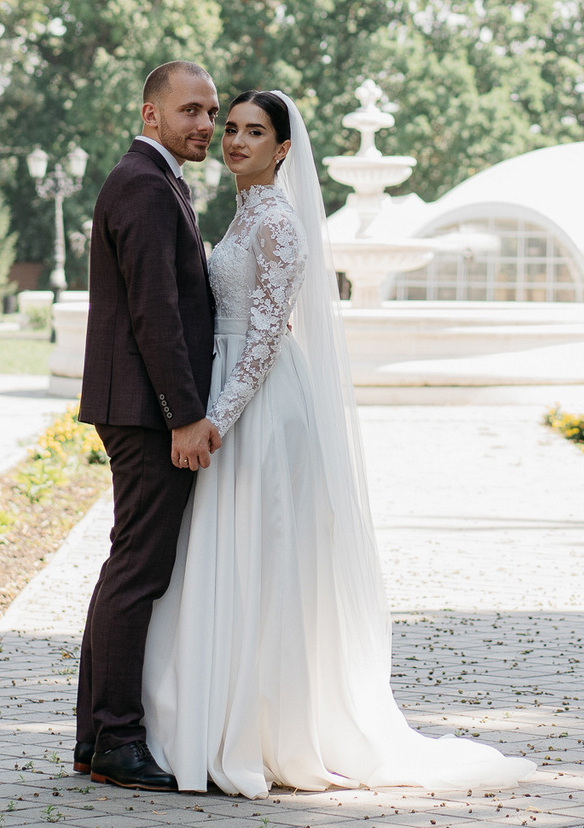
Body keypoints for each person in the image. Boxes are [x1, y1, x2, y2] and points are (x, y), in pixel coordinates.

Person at [138, 88, 536, 797]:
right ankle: (218, 715)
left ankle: (268, 730)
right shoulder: (244, 216)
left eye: (253, 132)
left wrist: (217, 421)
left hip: (258, 406)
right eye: (228, 129)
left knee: (263, 555)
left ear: (283, 148)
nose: (233, 141)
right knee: (226, 553)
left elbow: (263, 339)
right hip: (230, 391)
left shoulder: (280, 225)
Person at [73, 60, 223, 793]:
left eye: (212, 112)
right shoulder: (142, 184)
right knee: (139, 571)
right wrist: (186, 416)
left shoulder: (156, 181)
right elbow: (154, 314)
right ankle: (119, 742)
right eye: (190, 110)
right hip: (144, 411)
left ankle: (95, 739)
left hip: (136, 405)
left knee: (125, 566)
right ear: (151, 113)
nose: (205, 124)